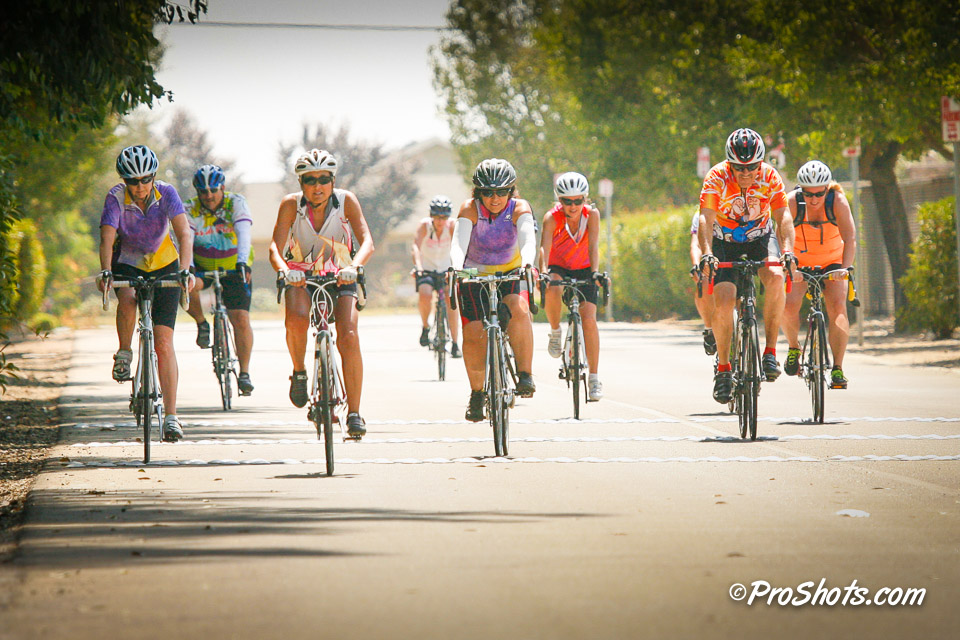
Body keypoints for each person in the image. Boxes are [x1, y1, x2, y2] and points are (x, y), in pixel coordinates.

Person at [268, 148, 375, 437]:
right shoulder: (291, 205)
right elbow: (275, 249)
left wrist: (354, 265)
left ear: (333, 180)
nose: (318, 186)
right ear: (301, 183)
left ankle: (354, 412)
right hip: (300, 275)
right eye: (310, 180)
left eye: (324, 179)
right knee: (297, 318)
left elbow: (367, 242)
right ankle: (300, 371)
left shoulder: (346, 201)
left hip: (342, 274)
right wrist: (284, 269)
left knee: (349, 335)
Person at [96, 145, 196, 442]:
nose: (139, 187)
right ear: (124, 181)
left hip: (165, 264)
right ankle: (125, 351)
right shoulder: (115, 197)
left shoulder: (167, 193)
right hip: (127, 262)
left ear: (153, 177)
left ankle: (172, 416)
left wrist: (186, 270)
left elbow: (184, 233)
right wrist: (105, 271)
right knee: (126, 299)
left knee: (163, 342)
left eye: (144, 180)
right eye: (132, 181)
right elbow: (106, 236)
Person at [698, 128, 795, 404]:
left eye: (751, 166)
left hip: (760, 238)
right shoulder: (716, 176)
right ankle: (725, 369)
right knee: (726, 299)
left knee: (776, 276)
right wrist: (706, 253)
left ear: (760, 163)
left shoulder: (770, 176)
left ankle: (770, 352)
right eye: (738, 167)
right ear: (729, 163)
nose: (745, 173)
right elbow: (705, 217)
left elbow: (783, 215)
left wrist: (788, 250)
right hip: (723, 241)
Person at [451, 158, 537, 422]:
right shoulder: (470, 209)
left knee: (519, 308)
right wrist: (455, 268)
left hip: (510, 271)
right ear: (478, 193)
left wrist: (528, 263)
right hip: (473, 272)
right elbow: (458, 245)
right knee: (474, 332)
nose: (495, 198)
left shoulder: (519, 207)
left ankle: (525, 374)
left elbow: (527, 238)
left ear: (511, 191)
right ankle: (477, 394)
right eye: (487, 192)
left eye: (502, 191)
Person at [781, 160, 857, 389]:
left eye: (819, 193)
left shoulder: (838, 202)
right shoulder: (792, 202)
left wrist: (845, 269)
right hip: (799, 263)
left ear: (827, 188)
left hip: (832, 262)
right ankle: (794, 347)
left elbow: (850, 238)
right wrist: (790, 268)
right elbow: (780, 237)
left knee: (837, 307)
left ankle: (837, 368)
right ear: (800, 189)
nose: (814, 199)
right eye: (808, 193)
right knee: (788, 305)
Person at [183, 164, 256, 395]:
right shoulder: (189, 209)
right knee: (187, 285)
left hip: (234, 268)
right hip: (203, 268)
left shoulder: (235, 203)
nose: (209, 196)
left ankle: (244, 373)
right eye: (203, 192)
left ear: (222, 187)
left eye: (213, 190)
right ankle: (201, 323)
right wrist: (190, 269)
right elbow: (187, 237)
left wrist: (243, 262)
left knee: (241, 319)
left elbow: (244, 233)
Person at [538, 172, 604, 401]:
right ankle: (555, 331)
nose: (573, 206)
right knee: (553, 287)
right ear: (560, 201)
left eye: (578, 201)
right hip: (559, 265)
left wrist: (594, 272)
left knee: (589, 320)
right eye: (567, 201)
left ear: (585, 199)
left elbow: (594, 245)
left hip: (584, 267)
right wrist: (544, 273)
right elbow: (544, 249)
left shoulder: (592, 215)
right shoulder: (552, 217)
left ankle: (594, 378)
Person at [412, 195, 461, 358]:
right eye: (437, 216)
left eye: (444, 217)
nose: (440, 221)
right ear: (431, 215)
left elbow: (459, 247)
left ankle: (455, 343)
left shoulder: (452, 226)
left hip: (447, 269)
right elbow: (416, 247)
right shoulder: (425, 226)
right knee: (425, 293)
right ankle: (426, 327)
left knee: (451, 300)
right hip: (427, 269)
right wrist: (418, 267)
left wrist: (457, 267)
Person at [689, 209, 717, 356]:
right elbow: (696, 245)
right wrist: (696, 265)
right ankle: (709, 328)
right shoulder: (702, 212)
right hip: (711, 257)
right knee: (704, 281)